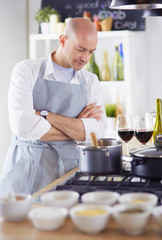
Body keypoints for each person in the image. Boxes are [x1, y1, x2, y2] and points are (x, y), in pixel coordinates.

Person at [0, 18, 107, 195]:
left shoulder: (90, 81)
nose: (85, 58)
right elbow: (23, 125)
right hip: (26, 170)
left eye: (91, 52)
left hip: (68, 170)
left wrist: (44, 115)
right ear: (63, 40)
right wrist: (76, 128)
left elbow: (96, 132)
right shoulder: (26, 70)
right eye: (80, 49)